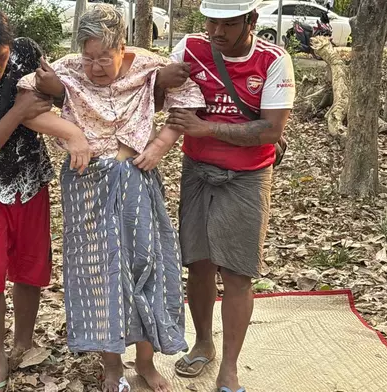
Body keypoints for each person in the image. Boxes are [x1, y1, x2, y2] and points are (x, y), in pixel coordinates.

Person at [17, 5, 206, 392]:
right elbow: (24, 107)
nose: (96, 66)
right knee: (101, 273)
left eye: (104, 57)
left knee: (145, 265)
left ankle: (147, 363)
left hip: (136, 177)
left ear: (122, 46)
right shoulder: (67, 68)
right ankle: (112, 366)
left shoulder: (149, 65)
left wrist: (159, 145)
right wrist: (72, 134)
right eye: (89, 57)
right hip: (87, 183)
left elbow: (188, 104)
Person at [0, 6, 90, 392]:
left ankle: (23, 342)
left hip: (32, 182)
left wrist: (55, 90)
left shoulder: (26, 51)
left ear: (10, 45)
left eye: (0, 58)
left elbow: (59, 96)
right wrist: (20, 109)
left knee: (30, 269)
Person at [166, 1, 296, 392]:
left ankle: (231, 367)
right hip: (197, 172)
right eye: (212, 23)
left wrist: (207, 129)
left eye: (228, 24)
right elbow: (161, 96)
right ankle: (203, 343)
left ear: (251, 21)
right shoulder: (189, 48)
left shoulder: (275, 61)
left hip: (248, 177)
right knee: (199, 262)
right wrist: (161, 79)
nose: (217, 32)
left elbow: (270, 131)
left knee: (237, 272)